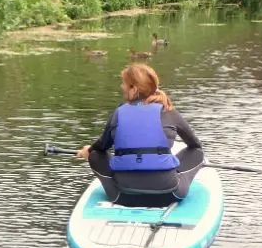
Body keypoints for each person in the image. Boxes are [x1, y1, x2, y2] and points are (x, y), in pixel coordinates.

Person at [76, 63, 204, 205]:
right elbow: (195, 145)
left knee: (94, 155)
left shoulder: (118, 113)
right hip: (169, 195)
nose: (121, 87)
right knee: (197, 153)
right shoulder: (169, 111)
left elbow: (100, 147)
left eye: (124, 84)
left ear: (134, 89)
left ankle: (119, 185)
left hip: (123, 196)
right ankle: (174, 178)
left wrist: (88, 151)